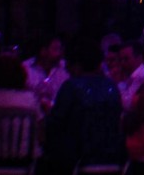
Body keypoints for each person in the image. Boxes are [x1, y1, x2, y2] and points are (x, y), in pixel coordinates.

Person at [45, 36, 124, 173]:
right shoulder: (111, 86)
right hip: (114, 159)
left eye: (68, 63)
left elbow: (55, 125)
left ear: (76, 65)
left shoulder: (71, 86)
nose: (66, 67)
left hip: (78, 161)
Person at [25, 35, 69, 113]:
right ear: (43, 51)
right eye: (56, 49)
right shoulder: (26, 68)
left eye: (61, 49)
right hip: (31, 113)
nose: (60, 53)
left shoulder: (64, 68)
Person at [117, 41, 144, 111]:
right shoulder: (130, 76)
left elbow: (127, 105)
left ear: (139, 57)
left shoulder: (142, 77)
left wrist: (119, 82)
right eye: (121, 60)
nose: (122, 63)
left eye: (126, 59)